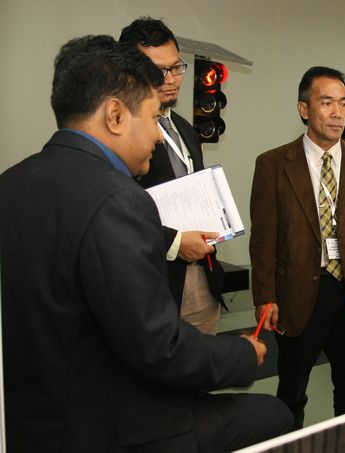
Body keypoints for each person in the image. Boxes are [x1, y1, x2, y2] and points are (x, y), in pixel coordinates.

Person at [0, 34, 292, 452]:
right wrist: (242, 354)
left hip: (33, 420)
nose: (158, 136)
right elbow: (159, 347)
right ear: (115, 115)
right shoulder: (117, 199)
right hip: (104, 423)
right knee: (274, 415)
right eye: (154, 118)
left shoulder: (11, 183)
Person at [249, 66, 345, 428]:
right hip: (296, 293)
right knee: (292, 390)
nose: (338, 113)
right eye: (327, 103)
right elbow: (263, 239)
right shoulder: (273, 164)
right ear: (304, 109)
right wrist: (265, 295)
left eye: (344, 103)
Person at [119, 17, 225, 335]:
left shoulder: (185, 128)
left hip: (202, 278)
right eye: (157, 70)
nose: (171, 79)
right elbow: (119, 213)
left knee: (205, 361)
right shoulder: (120, 132)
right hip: (151, 284)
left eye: (176, 67)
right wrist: (175, 243)